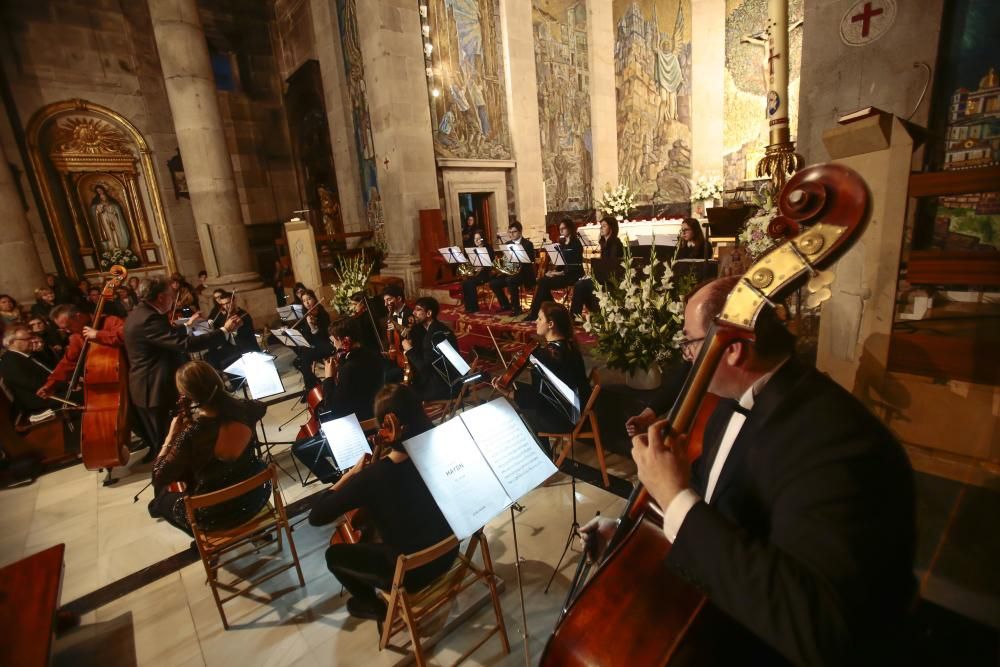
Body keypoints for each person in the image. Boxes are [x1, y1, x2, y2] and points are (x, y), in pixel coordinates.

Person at [582, 276, 916, 665]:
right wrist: (632, 535)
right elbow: (712, 498)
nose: (686, 356)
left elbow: (818, 629)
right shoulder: (728, 404)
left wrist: (673, 496)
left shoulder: (837, 442)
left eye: (689, 342)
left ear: (734, 350)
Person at [308, 383, 458, 620]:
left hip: (412, 574)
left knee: (334, 556)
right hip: (450, 553)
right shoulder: (444, 447)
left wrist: (349, 477)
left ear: (386, 426)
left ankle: (371, 604)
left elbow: (316, 517)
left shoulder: (373, 477)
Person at [124, 277, 243, 462]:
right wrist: (223, 331)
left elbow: (165, 338)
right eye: (171, 296)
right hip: (156, 389)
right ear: (162, 297)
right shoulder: (149, 318)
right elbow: (184, 344)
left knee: (171, 443)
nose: (174, 300)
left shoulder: (140, 313)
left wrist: (187, 327)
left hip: (151, 387)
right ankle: (174, 486)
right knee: (170, 446)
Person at [149, 361, 270, 535]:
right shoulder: (248, 409)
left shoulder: (192, 434)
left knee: (158, 503)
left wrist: (170, 438)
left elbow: (158, 476)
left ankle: (204, 539)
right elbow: (260, 407)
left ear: (188, 395)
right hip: (255, 496)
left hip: (216, 515)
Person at [492, 301, 589, 440]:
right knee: (522, 392)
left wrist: (509, 394)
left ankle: (542, 457)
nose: (536, 321)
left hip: (563, 418)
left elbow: (539, 398)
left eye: (540, 318)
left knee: (514, 418)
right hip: (575, 410)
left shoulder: (546, 357)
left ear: (551, 324)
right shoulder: (569, 344)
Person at [36, 304, 125, 399]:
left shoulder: (110, 321)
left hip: (127, 374)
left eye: (68, 326)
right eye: (63, 329)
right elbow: (68, 362)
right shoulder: (76, 337)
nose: (68, 331)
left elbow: (125, 337)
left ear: (78, 316)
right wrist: (50, 385)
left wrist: (98, 335)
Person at [318, 317, 385, 421]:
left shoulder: (348, 369)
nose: (334, 346)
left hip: (360, 420)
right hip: (376, 410)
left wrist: (329, 378)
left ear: (345, 341)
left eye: (334, 341)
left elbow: (332, 408)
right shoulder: (372, 354)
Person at [524, 218, 584, 322]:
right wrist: (553, 271)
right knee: (543, 281)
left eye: (563, 228)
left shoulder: (576, 243)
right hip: (564, 273)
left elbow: (574, 266)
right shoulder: (563, 243)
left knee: (544, 283)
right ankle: (553, 308)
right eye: (559, 229)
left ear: (570, 228)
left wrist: (558, 273)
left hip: (573, 275)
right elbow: (561, 263)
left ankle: (535, 313)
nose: (561, 231)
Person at [402, 296, 459, 401]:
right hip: (454, 379)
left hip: (445, 386)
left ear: (429, 314)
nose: (414, 313)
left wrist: (409, 350)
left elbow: (424, 369)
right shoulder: (440, 328)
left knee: (406, 394)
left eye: (418, 310)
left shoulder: (431, 337)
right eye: (414, 309)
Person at [0, 325, 62, 414]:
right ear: (12, 342)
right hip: (42, 402)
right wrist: (66, 383)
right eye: (27, 339)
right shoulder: (9, 361)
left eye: (32, 338)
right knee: (83, 394)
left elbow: (52, 369)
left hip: (55, 392)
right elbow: (36, 384)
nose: (33, 341)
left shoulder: (28, 354)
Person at [570, 216, 625, 318]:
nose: (601, 228)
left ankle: (576, 315)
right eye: (601, 226)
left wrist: (594, 276)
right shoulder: (604, 243)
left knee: (581, 285)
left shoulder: (616, 244)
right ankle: (581, 314)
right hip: (603, 276)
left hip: (611, 279)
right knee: (580, 284)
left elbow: (612, 266)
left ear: (611, 228)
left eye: (604, 226)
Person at [489, 221, 536, 316]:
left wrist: (519, 257)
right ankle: (505, 305)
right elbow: (505, 260)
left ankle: (516, 308)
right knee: (493, 283)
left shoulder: (527, 244)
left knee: (511, 280)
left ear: (520, 232)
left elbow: (531, 260)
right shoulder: (507, 244)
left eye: (514, 232)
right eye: (509, 232)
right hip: (511, 273)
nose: (511, 234)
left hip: (524, 273)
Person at [204, 291, 258, 370]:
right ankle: (218, 378)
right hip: (231, 347)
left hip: (244, 347)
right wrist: (211, 326)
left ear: (234, 301)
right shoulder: (223, 316)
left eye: (228, 303)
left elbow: (242, 335)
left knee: (226, 362)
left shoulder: (244, 315)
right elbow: (218, 330)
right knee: (209, 356)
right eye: (223, 304)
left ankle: (232, 376)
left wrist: (231, 329)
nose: (226, 306)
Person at [291, 289, 332, 391]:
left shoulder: (322, 314)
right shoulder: (306, 315)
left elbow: (324, 336)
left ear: (314, 298)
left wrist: (313, 327)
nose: (307, 303)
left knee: (304, 360)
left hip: (324, 344)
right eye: (304, 301)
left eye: (309, 299)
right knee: (299, 362)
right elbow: (306, 335)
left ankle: (310, 389)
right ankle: (314, 383)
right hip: (313, 345)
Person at [461, 230, 495, 313]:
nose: (476, 241)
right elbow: (471, 262)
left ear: (483, 239)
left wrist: (482, 266)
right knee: (465, 282)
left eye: (478, 239)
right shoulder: (474, 249)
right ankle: (468, 307)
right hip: (476, 274)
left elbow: (490, 262)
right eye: (475, 239)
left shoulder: (488, 248)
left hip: (486, 274)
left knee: (470, 283)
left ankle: (474, 308)